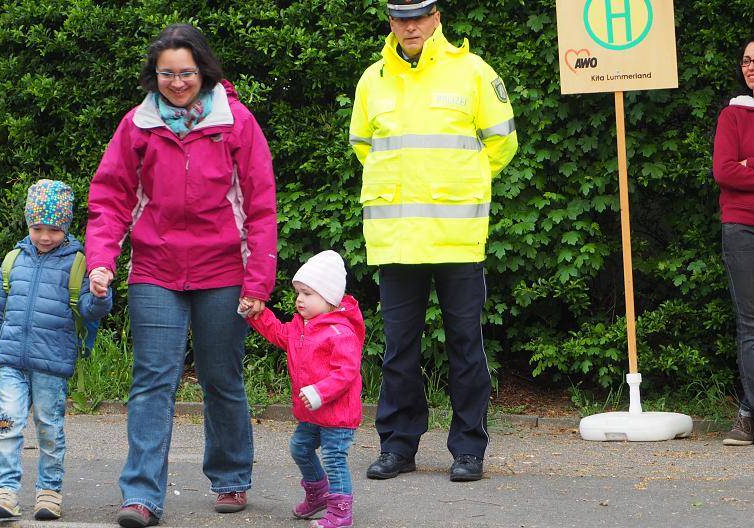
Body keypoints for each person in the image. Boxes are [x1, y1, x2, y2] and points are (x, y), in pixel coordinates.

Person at [83, 23, 277, 527]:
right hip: (155, 270)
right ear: (155, 75)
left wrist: (258, 281)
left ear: (203, 71)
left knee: (221, 378)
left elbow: (260, 207)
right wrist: (101, 259)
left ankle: (232, 477)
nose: (177, 82)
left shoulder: (236, 121)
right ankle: (141, 496)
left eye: (186, 72)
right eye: (166, 73)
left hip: (223, 271)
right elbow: (110, 198)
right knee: (152, 381)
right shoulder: (137, 126)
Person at [349, 0, 518, 482]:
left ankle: (468, 450)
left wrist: (462, 186)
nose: (410, 26)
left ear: (437, 17)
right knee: (399, 348)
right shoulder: (372, 79)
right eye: (400, 18)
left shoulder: (474, 73)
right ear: (390, 22)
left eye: (419, 16)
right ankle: (398, 447)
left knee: (466, 345)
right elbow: (364, 146)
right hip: (397, 239)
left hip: (456, 237)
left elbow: (502, 142)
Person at [0, 179, 114, 520]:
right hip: (12, 363)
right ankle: (5, 490)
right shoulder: (12, 261)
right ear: (27, 223)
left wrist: (100, 294)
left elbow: (91, 312)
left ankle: (49, 492)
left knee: (49, 428)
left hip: (51, 364)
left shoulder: (78, 263)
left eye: (53, 229)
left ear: (66, 226)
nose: (45, 236)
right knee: (7, 423)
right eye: (37, 228)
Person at [243, 250, 364, 528]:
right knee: (300, 448)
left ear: (329, 298)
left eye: (308, 293)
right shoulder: (302, 327)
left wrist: (320, 392)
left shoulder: (340, 332)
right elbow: (278, 333)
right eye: (299, 292)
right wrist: (257, 315)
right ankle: (318, 494)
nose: (300, 299)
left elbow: (346, 372)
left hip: (337, 415)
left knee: (334, 459)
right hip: (312, 414)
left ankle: (341, 511)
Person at [713, 34, 754, 447]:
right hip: (743, 227)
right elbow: (725, 171)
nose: (750, 67)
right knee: (753, 325)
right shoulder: (732, 116)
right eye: (746, 60)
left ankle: (749, 412)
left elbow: (742, 169)